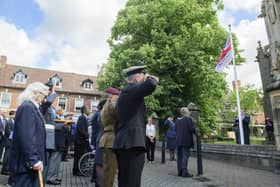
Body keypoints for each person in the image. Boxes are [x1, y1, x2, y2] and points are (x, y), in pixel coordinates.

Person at [114, 65, 158, 187]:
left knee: (125, 182)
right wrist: (148, 77)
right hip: (132, 145)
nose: (144, 79)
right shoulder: (131, 89)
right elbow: (151, 85)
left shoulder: (126, 92)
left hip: (125, 144)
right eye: (143, 76)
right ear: (137, 77)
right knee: (132, 182)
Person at [9, 82, 49, 187]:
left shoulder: (33, 108)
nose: (44, 100)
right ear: (37, 94)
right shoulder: (28, 108)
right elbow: (26, 137)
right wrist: (33, 160)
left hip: (30, 165)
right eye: (44, 96)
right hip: (27, 166)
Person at [99, 87, 120, 187]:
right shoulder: (111, 105)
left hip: (106, 139)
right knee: (110, 173)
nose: (119, 98)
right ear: (112, 96)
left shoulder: (105, 106)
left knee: (107, 171)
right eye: (117, 96)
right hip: (111, 140)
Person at [175, 107, 196, 178]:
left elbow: (175, 129)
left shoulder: (177, 120)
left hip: (178, 141)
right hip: (186, 141)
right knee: (185, 156)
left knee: (179, 156)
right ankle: (185, 172)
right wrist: (196, 128)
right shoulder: (188, 119)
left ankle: (179, 172)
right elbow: (192, 129)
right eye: (188, 112)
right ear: (186, 113)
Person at [91, 99, 106, 187]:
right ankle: (98, 182)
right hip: (101, 139)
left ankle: (96, 180)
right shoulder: (101, 114)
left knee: (98, 162)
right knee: (100, 163)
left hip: (99, 138)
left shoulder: (98, 114)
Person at [73, 105, 90, 176]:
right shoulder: (82, 117)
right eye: (88, 108)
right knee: (78, 156)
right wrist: (87, 135)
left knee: (79, 156)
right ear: (85, 110)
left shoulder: (84, 117)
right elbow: (81, 130)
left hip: (80, 141)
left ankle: (76, 170)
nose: (89, 110)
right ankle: (76, 171)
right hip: (80, 141)